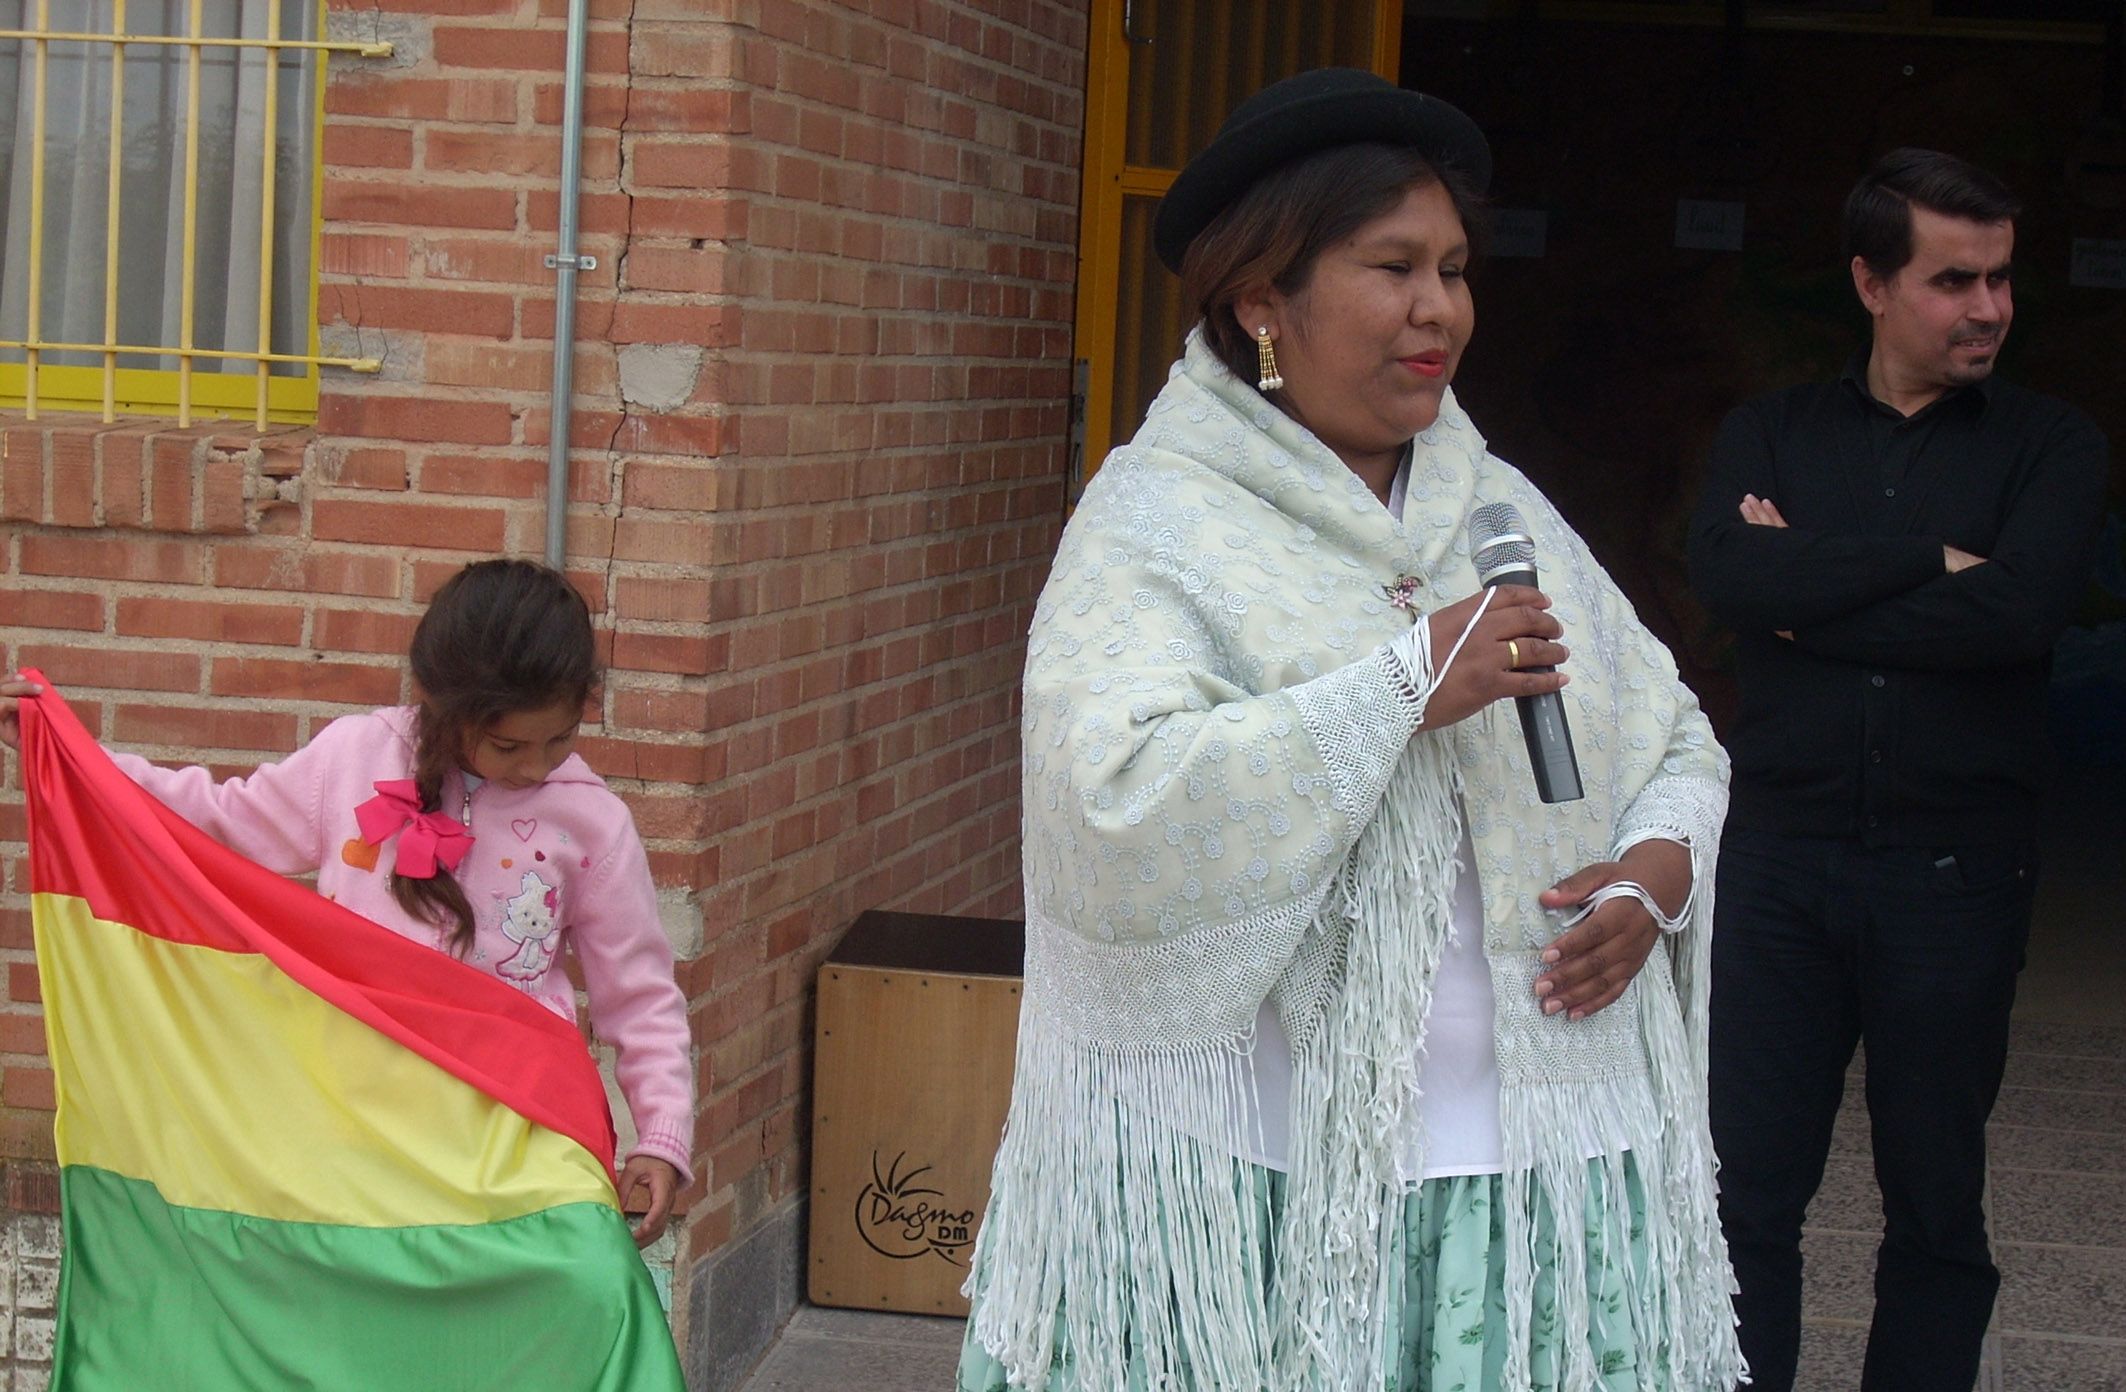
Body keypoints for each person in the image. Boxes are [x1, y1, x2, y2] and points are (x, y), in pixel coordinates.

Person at [959, 67, 1743, 1392]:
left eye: (1449, 268)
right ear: (1264, 299)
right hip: (1256, 1177)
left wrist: (1654, 872)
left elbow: (1671, 733)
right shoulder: (1157, 523)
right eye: (1390, 267)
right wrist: (1398, 687)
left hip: (1522, 1172)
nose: (1436, 307)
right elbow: (1116, 799)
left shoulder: (1498, 507)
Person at [1688, 149, 2110, 1391]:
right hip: (1776, 869)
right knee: (1742, 1198)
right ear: (1871, 283)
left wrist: (1805, 592)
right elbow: (1728, 577)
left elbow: (2021, 616)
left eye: (2000, 280)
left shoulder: (2051, 445)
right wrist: (1935, 558)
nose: (1987, 308)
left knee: (1935, 1204)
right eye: (1952, 281)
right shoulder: (1769, 431)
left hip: (1954, 876)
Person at [1, 559, 693, 1246]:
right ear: (441, 703)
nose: (537, 766)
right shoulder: (355, 756)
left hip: (513, 1126)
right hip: (350, 1114)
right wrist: (66, 756)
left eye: (561, 739)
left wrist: (660, 1134)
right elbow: (216, 819)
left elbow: (638, 996)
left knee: (576, 1282)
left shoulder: (595, 824)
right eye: (509, 745)